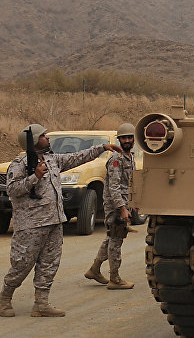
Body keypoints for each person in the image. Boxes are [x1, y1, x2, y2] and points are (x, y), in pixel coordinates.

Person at [1, 124, 121, 317]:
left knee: (49, 264)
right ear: (33, 141)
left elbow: (76, 158)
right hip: (30, 226)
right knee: (22, 264)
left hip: (54, 223)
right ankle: (5, 299)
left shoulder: (52, 159)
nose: (47, 138)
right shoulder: (20, 164)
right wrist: (34, 177)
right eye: (43, 136)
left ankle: (41, 304)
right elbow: (12, 190)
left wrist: (101, 148)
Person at [84, 123, 137, 290]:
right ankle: (115, 278)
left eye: (129, 137)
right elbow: (114, 187)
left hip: (123, 203)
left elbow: (129, 183)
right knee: (116, 239)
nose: (127, 140)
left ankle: (95, 269)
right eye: (124, 138)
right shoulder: (116, 159)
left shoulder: (130, 157)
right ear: (118, 139)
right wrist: (122, 208)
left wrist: (133, 204)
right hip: (115, 205)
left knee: (111, 237)